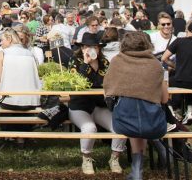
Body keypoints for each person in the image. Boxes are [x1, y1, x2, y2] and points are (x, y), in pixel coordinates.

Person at [104, 31, 168, 180]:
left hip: (123, 121)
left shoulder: (117, 61)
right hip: (153, 123)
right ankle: (139, 166)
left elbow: (107, 91)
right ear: (146, 44)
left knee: (134, 121)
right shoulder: (155, 65)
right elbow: (165, 99)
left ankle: (137, 170)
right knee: (141, 119)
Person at [69, 32, 125, 175]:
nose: (91, 49)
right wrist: (86, 63)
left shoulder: (105, 62)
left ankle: (114, 158)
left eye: (94, 47)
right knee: (89, 128)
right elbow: (76, 83)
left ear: (99, 49)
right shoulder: (74, 61)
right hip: (79, 106)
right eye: (87, 46)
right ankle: (86, 159)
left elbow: (112, 82)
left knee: (121, 127)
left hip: (100, 105)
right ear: (82, 48)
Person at [162, 22, 192, 125]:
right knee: (189, 85)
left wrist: (174, 66)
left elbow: (164, 58)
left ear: (187, 30)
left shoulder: (179, 41)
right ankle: (190, 111)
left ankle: (172, 110)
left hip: (180, 80)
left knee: (167, 84)